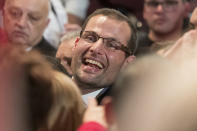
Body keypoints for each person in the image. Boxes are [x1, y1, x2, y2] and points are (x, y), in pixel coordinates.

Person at [71, 8, 137, 103]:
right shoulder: (45, 86)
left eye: (112, 45)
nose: (95, 48)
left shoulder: (123, 114)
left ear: (127, 63)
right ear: (76, 44)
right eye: (90, 38)